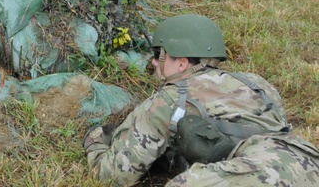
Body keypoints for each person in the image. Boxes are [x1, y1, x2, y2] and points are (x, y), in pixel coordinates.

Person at [84, 14, 319, 186]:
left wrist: (94, 141)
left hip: (262, 175)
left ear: (182, 63)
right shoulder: (255, 82)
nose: (154, 62)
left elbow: (115, 175)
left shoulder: (170, 98)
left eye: (159, 55)